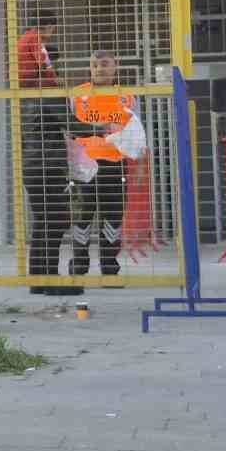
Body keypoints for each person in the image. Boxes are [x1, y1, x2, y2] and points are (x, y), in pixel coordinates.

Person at [19, 11, 78, 295]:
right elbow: (71, 125)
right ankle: (52, 282)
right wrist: (103, 128)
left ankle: (38, 280)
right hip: (50, 164)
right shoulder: (50, 91)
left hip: (31, 164)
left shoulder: (24, 96)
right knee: (54, 221)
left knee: (42, 221)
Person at [69, 51, 132, 280]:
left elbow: (136, 131)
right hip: (84, 165)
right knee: (82, 217)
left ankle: (109, 267)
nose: (99, 69)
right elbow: (67, 128)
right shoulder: (77, 95)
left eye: (105, 64)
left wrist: (142, 162)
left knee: (112, 218)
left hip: (115, 164)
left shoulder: (127, 96)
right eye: (95, 65)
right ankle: (79, 264)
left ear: (115, 67)